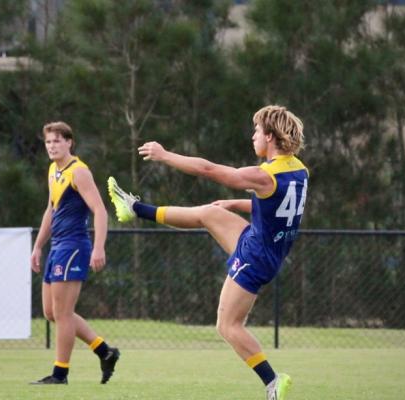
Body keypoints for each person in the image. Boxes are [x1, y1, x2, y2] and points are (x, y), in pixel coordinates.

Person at [107, 105, 306, 400]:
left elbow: (208, 170)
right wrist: (233, 203)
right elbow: (275, 207)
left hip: (256, 256)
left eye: (256, 131)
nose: (253, 136)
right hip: (264, 245)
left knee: (227, 325)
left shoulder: (265, 176)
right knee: (207, 214)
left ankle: (272, 380)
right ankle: (134, 208)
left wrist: (164, 155)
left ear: (271, 136)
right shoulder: (298, 169)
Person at [30, 121, 120, 385]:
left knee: (63, 313)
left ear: (69, 142)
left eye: (57, 140)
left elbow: (101, 211)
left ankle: (60, 374)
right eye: (48, 142)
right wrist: (37, 246)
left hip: (74, 246)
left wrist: (99, 246)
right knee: (51, 312)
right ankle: (105, 352)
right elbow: (51, 210)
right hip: (57, 246)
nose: (52, 146)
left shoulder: (78, 172)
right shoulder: (52, 171)